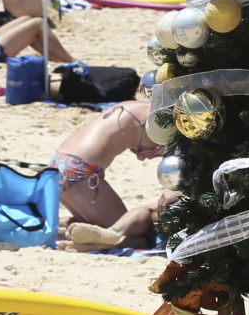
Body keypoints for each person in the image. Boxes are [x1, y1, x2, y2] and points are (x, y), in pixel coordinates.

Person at [49, 101, 173, 250]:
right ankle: (84, 245)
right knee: (133, 235)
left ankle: (38, 227)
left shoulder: (135, 106)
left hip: (60, 163)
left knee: (93, 226)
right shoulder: (161, 120)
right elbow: (149, 151)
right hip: (82, 171)